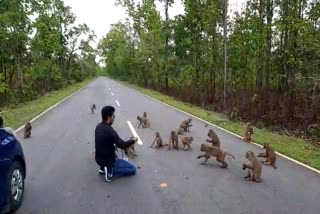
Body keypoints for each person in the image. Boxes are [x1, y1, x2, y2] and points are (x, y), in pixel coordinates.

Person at [95, 106, 138, 182]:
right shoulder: (110, 131)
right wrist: (133, 140)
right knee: (133, 169)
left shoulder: (98, 127)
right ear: (109, 117)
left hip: (98, 159)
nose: (114, 118)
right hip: (109, 161)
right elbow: (122, 145)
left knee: (115, 157)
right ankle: (109, 170)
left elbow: (101, 143)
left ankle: (103, 167)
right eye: (113, 116)